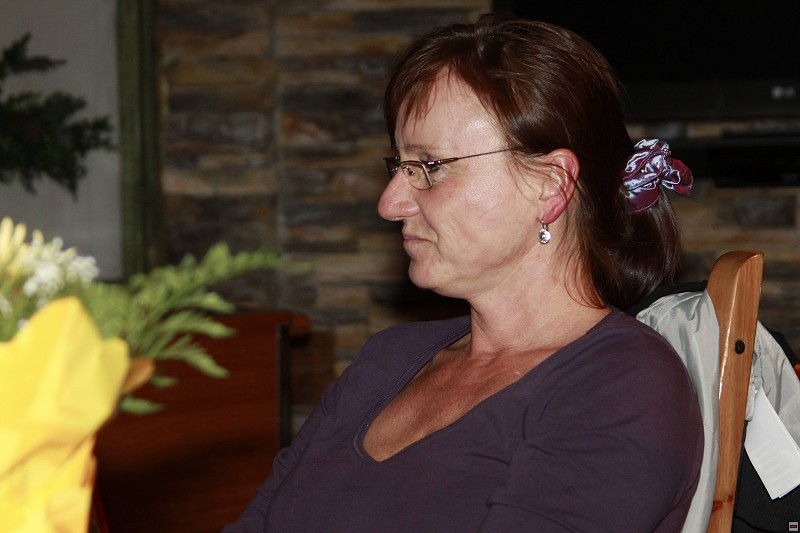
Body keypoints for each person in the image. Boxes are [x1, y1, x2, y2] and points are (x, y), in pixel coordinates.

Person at [224, 13, 703, 532]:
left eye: (430, 166)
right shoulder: (387, 359)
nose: (390, 204)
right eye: (399, 166)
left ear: (550, 186)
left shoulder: (621, 386)